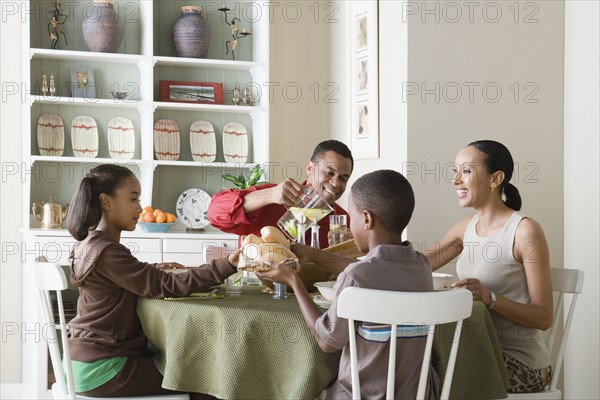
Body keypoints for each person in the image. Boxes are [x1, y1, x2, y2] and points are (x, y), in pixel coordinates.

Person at [257, 170, 440, 399]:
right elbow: (373, 270)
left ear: (366, 219)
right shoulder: (421, 266)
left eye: (351, 218)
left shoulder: (357, 276)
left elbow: (326, 341)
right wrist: (314, 254)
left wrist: (293, 281)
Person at [66, 164, 239, 398]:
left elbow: (116, 278)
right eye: (133, 199)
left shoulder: (89, 243)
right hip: (104, 369)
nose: (140, 208)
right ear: (106, 202)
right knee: (207, 377)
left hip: (80, 360)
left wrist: (151, 269)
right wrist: (229, 264)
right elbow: (168, 286)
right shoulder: (109, 252)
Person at [425, 140, 553, 393]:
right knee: (413, 362)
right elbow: (418, 265)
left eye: (466, 171)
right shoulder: (466, 227)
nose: (455, 180)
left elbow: (544, 316)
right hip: (476, 350)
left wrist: (489, 297)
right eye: (455, 170)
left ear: (495, 179)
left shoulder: (525, 231)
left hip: (522, 364)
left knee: (431, 372)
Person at [208, 139, 354, 248]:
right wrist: (269, 195)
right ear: (310, 168)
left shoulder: (343, 222)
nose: (335, 183)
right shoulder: (271, 198)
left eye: (343, 178)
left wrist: (350, 249)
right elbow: (214, 213)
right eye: (329, 173)